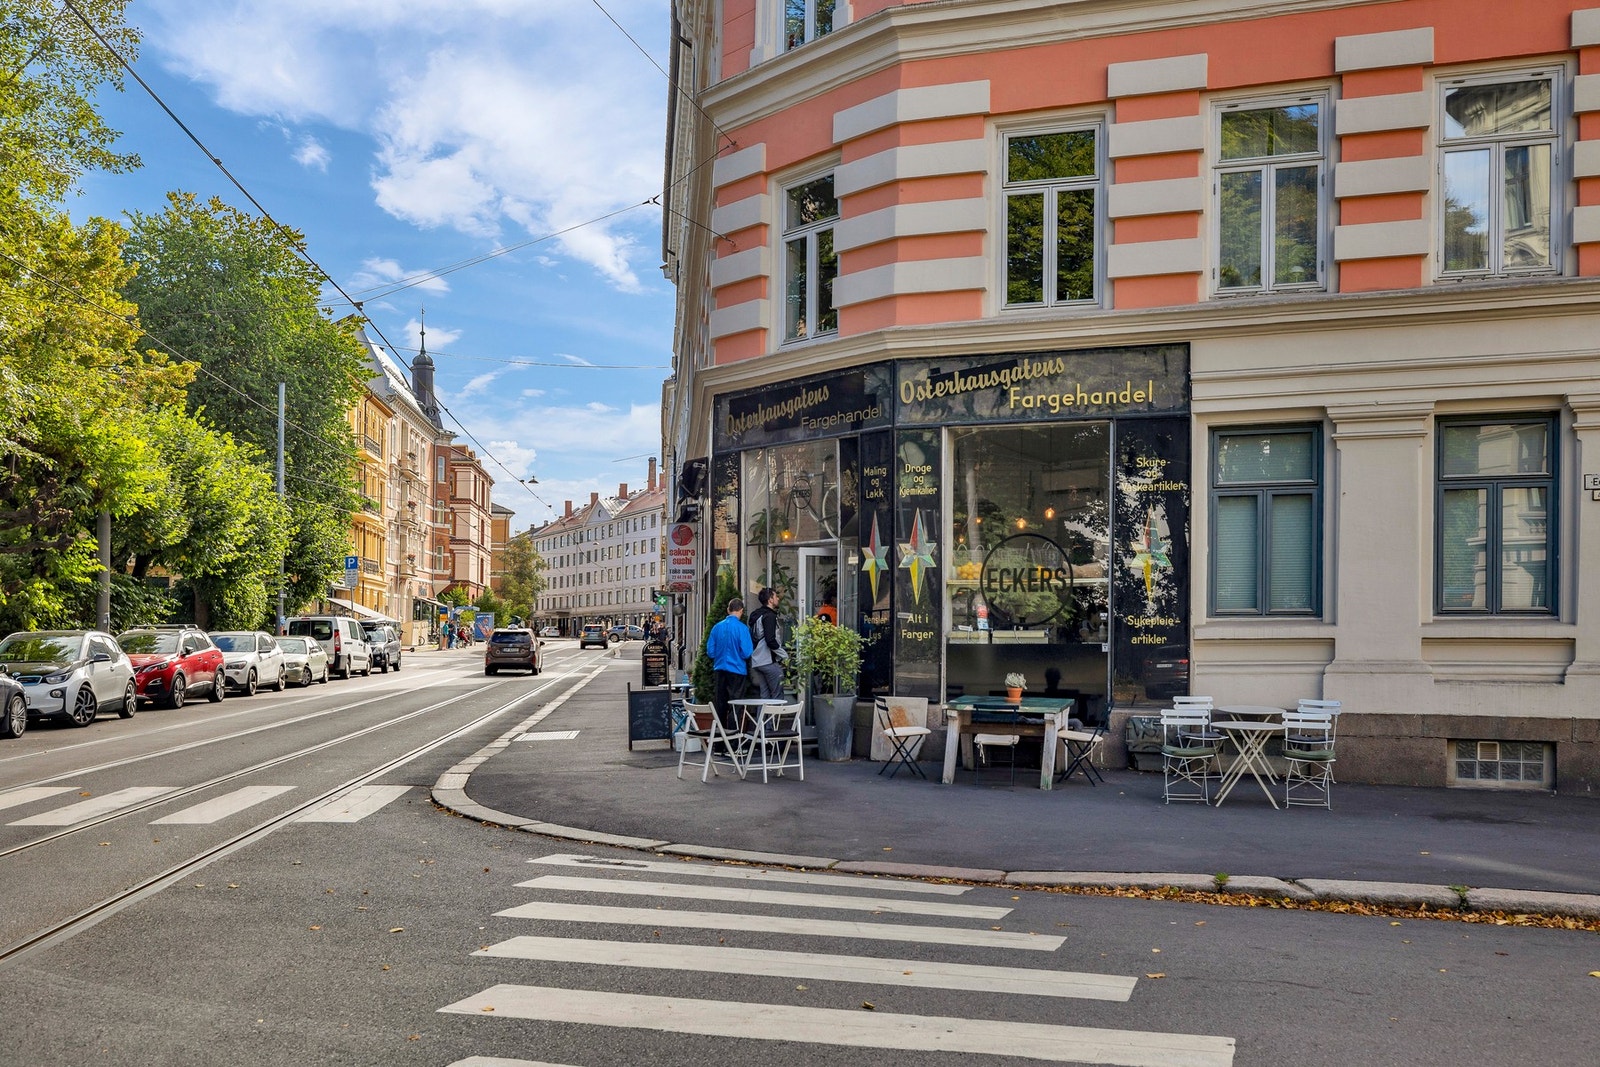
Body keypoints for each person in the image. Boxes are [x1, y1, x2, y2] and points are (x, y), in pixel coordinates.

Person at [705, 597, 753, 728]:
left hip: (720, 669)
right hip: (737, 671)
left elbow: (710, 652)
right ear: (741, 611)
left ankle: (720, 743)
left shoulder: (717, 627)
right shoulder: (742, 629)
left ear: (728, 610)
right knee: (735, 706)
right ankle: (733, 742)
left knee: (720, 705)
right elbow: (747, 652)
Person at [746, 587, 789, 700]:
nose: (778, 599)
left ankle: (762, 718)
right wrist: (785, 655)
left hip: (757, 661)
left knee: (764, 696)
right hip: (768, 661)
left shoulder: (756, 615)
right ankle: (775, 718)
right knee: (777, 695)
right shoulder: (769, 616)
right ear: (770, 600)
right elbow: (770, 640)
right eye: (775, 596)